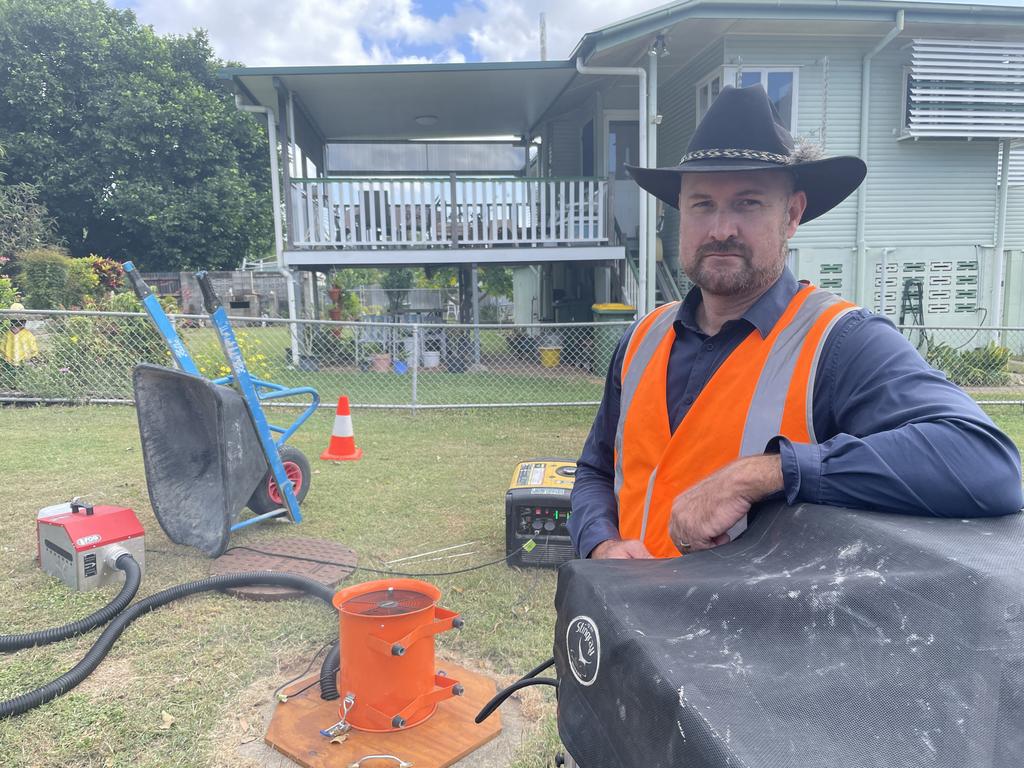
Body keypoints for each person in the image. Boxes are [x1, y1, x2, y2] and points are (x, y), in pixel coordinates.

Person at [569, 84, 1023, 561]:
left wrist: (765, 474)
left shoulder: (841, 341)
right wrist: (601, 543)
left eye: (748, 203)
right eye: (702, 203)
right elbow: (595, 471)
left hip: (750, 632)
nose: (721, 228)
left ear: (792, 214)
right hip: (622, 622)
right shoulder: (641, 340)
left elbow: (985, 464)